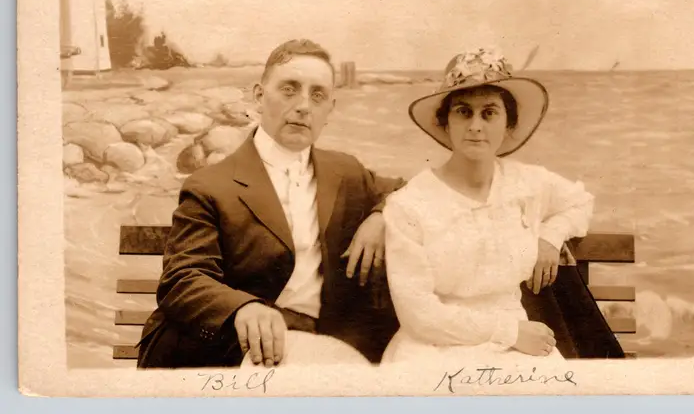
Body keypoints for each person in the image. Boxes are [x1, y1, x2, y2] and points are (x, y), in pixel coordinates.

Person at [136, 39, 405, 369]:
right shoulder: (209, 185)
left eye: (317, 95)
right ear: (259, 96)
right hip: (232, 348)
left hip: (320, 345)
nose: (303, 106)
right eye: (289, 90)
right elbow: (182, 278)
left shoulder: (346, 172)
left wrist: (381, 215)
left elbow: (405, 190)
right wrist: (243, 307)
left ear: (330, 109)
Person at [381, 48, 595, 365]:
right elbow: (419, 315)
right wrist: (508, 332)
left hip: (520, 343)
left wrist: (550, 237)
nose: (476, 125)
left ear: (508, 124)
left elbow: (580, 202)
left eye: (490, 113)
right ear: (445, 123)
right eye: (463, 112)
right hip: (435, 347)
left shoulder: (527, 183)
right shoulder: (410, 204)